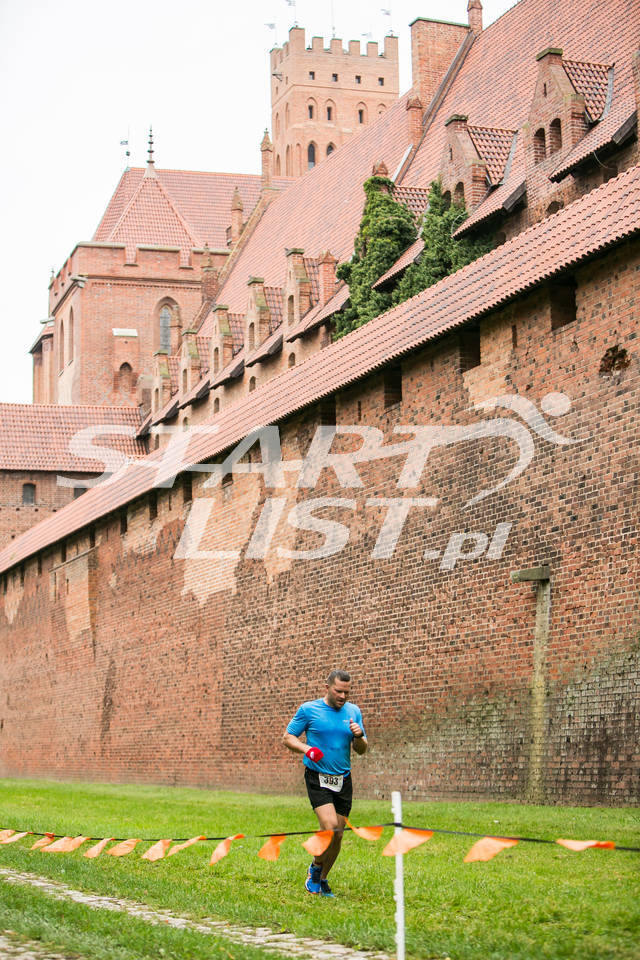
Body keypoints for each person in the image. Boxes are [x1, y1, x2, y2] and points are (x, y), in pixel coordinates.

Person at [283, 669, 367, 897]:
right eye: (338, 691)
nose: (342, 696)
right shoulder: (309, 710)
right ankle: (315, 869)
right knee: (329, 826)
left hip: (343, 779)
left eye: (346, 693)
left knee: (338, 834)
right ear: (327, 687)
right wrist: (306, 748)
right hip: (317, 776)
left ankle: (323, 878)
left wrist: (359, 736)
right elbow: (288, 737)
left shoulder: (353, 712)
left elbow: (361, 750)